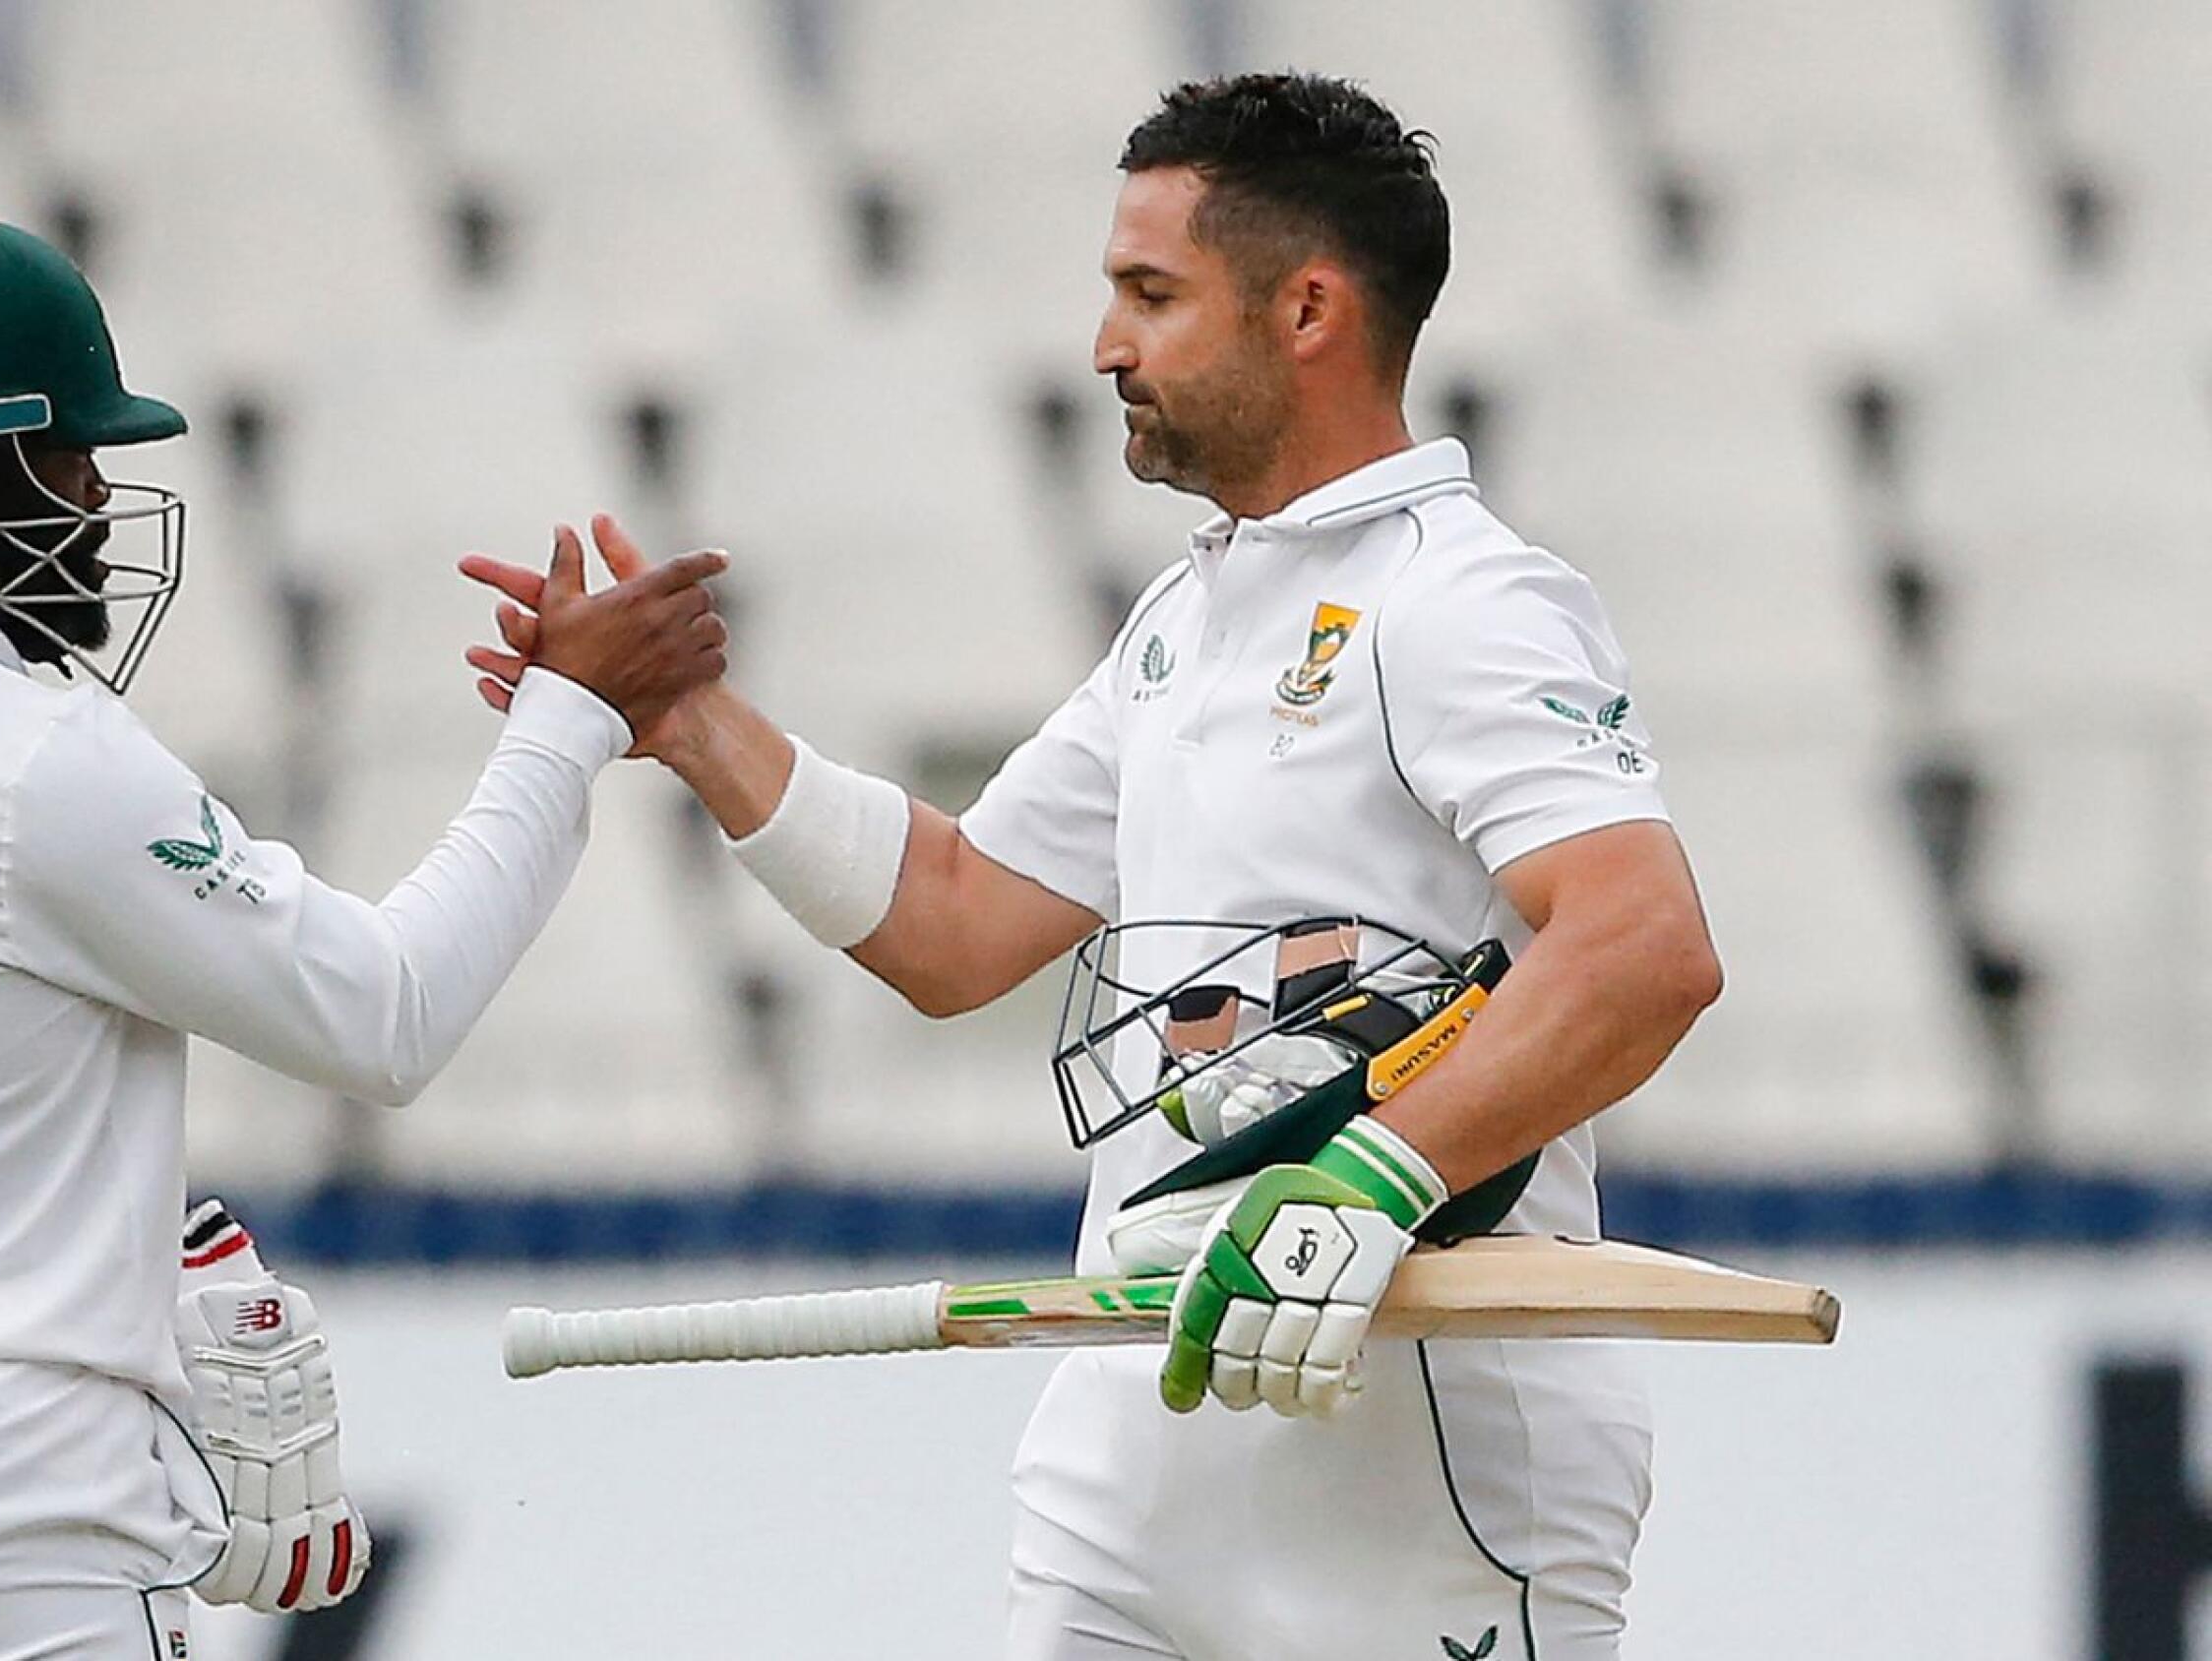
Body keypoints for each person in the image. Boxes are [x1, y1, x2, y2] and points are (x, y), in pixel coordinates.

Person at [463, 77, 1722, 1659]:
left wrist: (1372, 1176)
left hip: (1423, 1453)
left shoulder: (1462, 603)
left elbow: (1642, 948)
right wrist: (686, 719)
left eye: (1150, 294)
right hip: (1143, 1442)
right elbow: (951, 924)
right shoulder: (1186, 622)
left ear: (1309, 309)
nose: (1105, 344)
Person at [0, 211, 728, 1659]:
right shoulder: (41, 757)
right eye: (68, 455)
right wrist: (570, 722)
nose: (101, 498)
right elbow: (384, 1014)